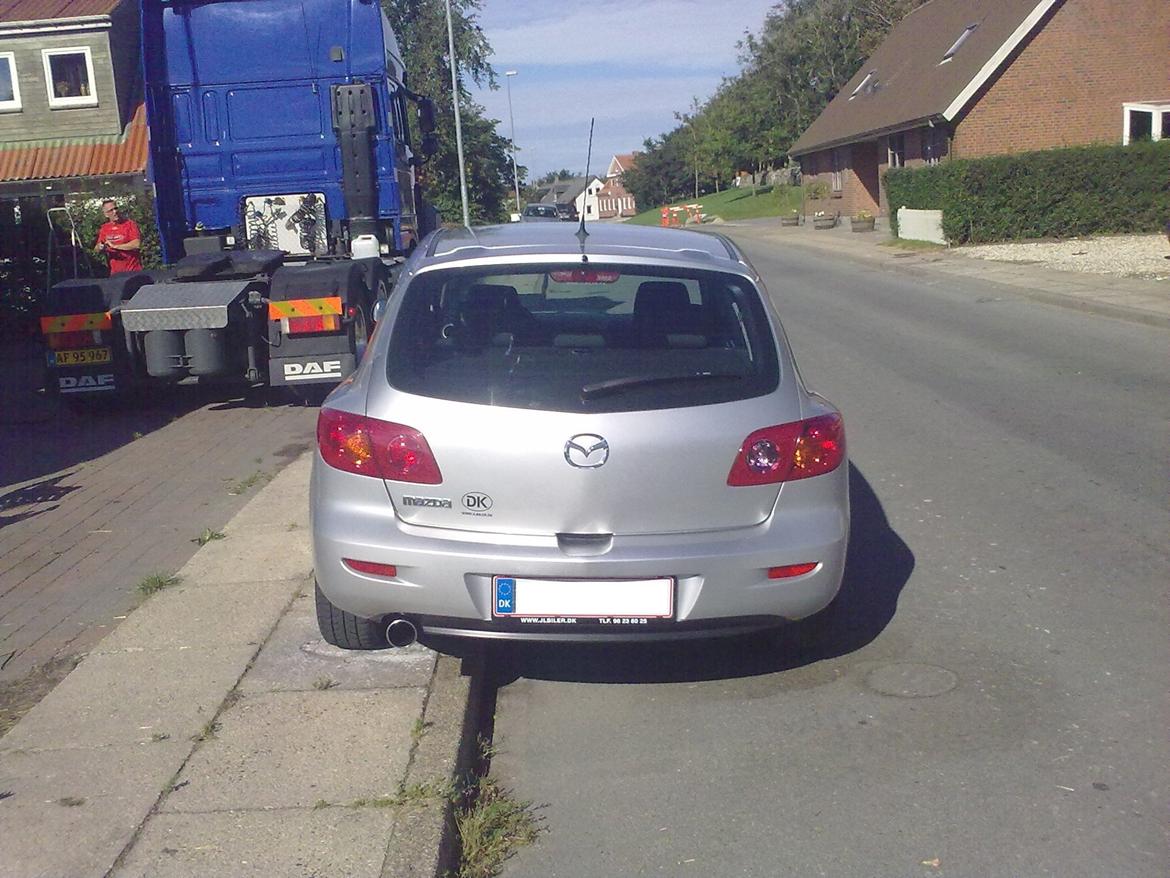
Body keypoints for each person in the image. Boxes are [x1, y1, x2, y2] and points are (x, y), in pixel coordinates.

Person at [93, 199, 142, 274]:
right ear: (106, 214)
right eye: (111, 210)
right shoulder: (104, 228)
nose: (115, 212)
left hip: (132, 271)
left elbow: (136, 244)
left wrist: (115, 247)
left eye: (115, 208)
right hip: (115, 273)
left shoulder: (130, 224)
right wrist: (100, 247)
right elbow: (96, 248)